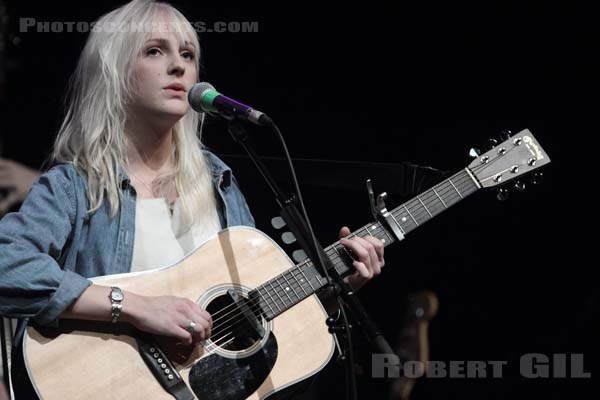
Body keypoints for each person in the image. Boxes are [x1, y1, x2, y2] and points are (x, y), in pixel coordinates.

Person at [0, 1, 385, 398]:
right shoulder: (74, 186)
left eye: (187, 54)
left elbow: (252, 319)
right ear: (113, 71)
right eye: (154, 51)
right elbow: (6, 265)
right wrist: (134, 306)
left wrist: (331, 291)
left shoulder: (220, 185)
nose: (178, 66)